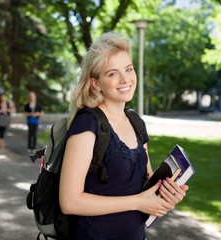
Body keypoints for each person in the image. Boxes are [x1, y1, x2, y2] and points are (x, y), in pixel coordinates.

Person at [59, 31, 189, 240]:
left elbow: (146, 185)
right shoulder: (87, 123)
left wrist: (167, 193)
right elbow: (69, 201)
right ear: (96, 83)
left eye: (128, 69)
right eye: (112, 73)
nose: (125, 79)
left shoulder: (136, 122)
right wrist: (137, 201)